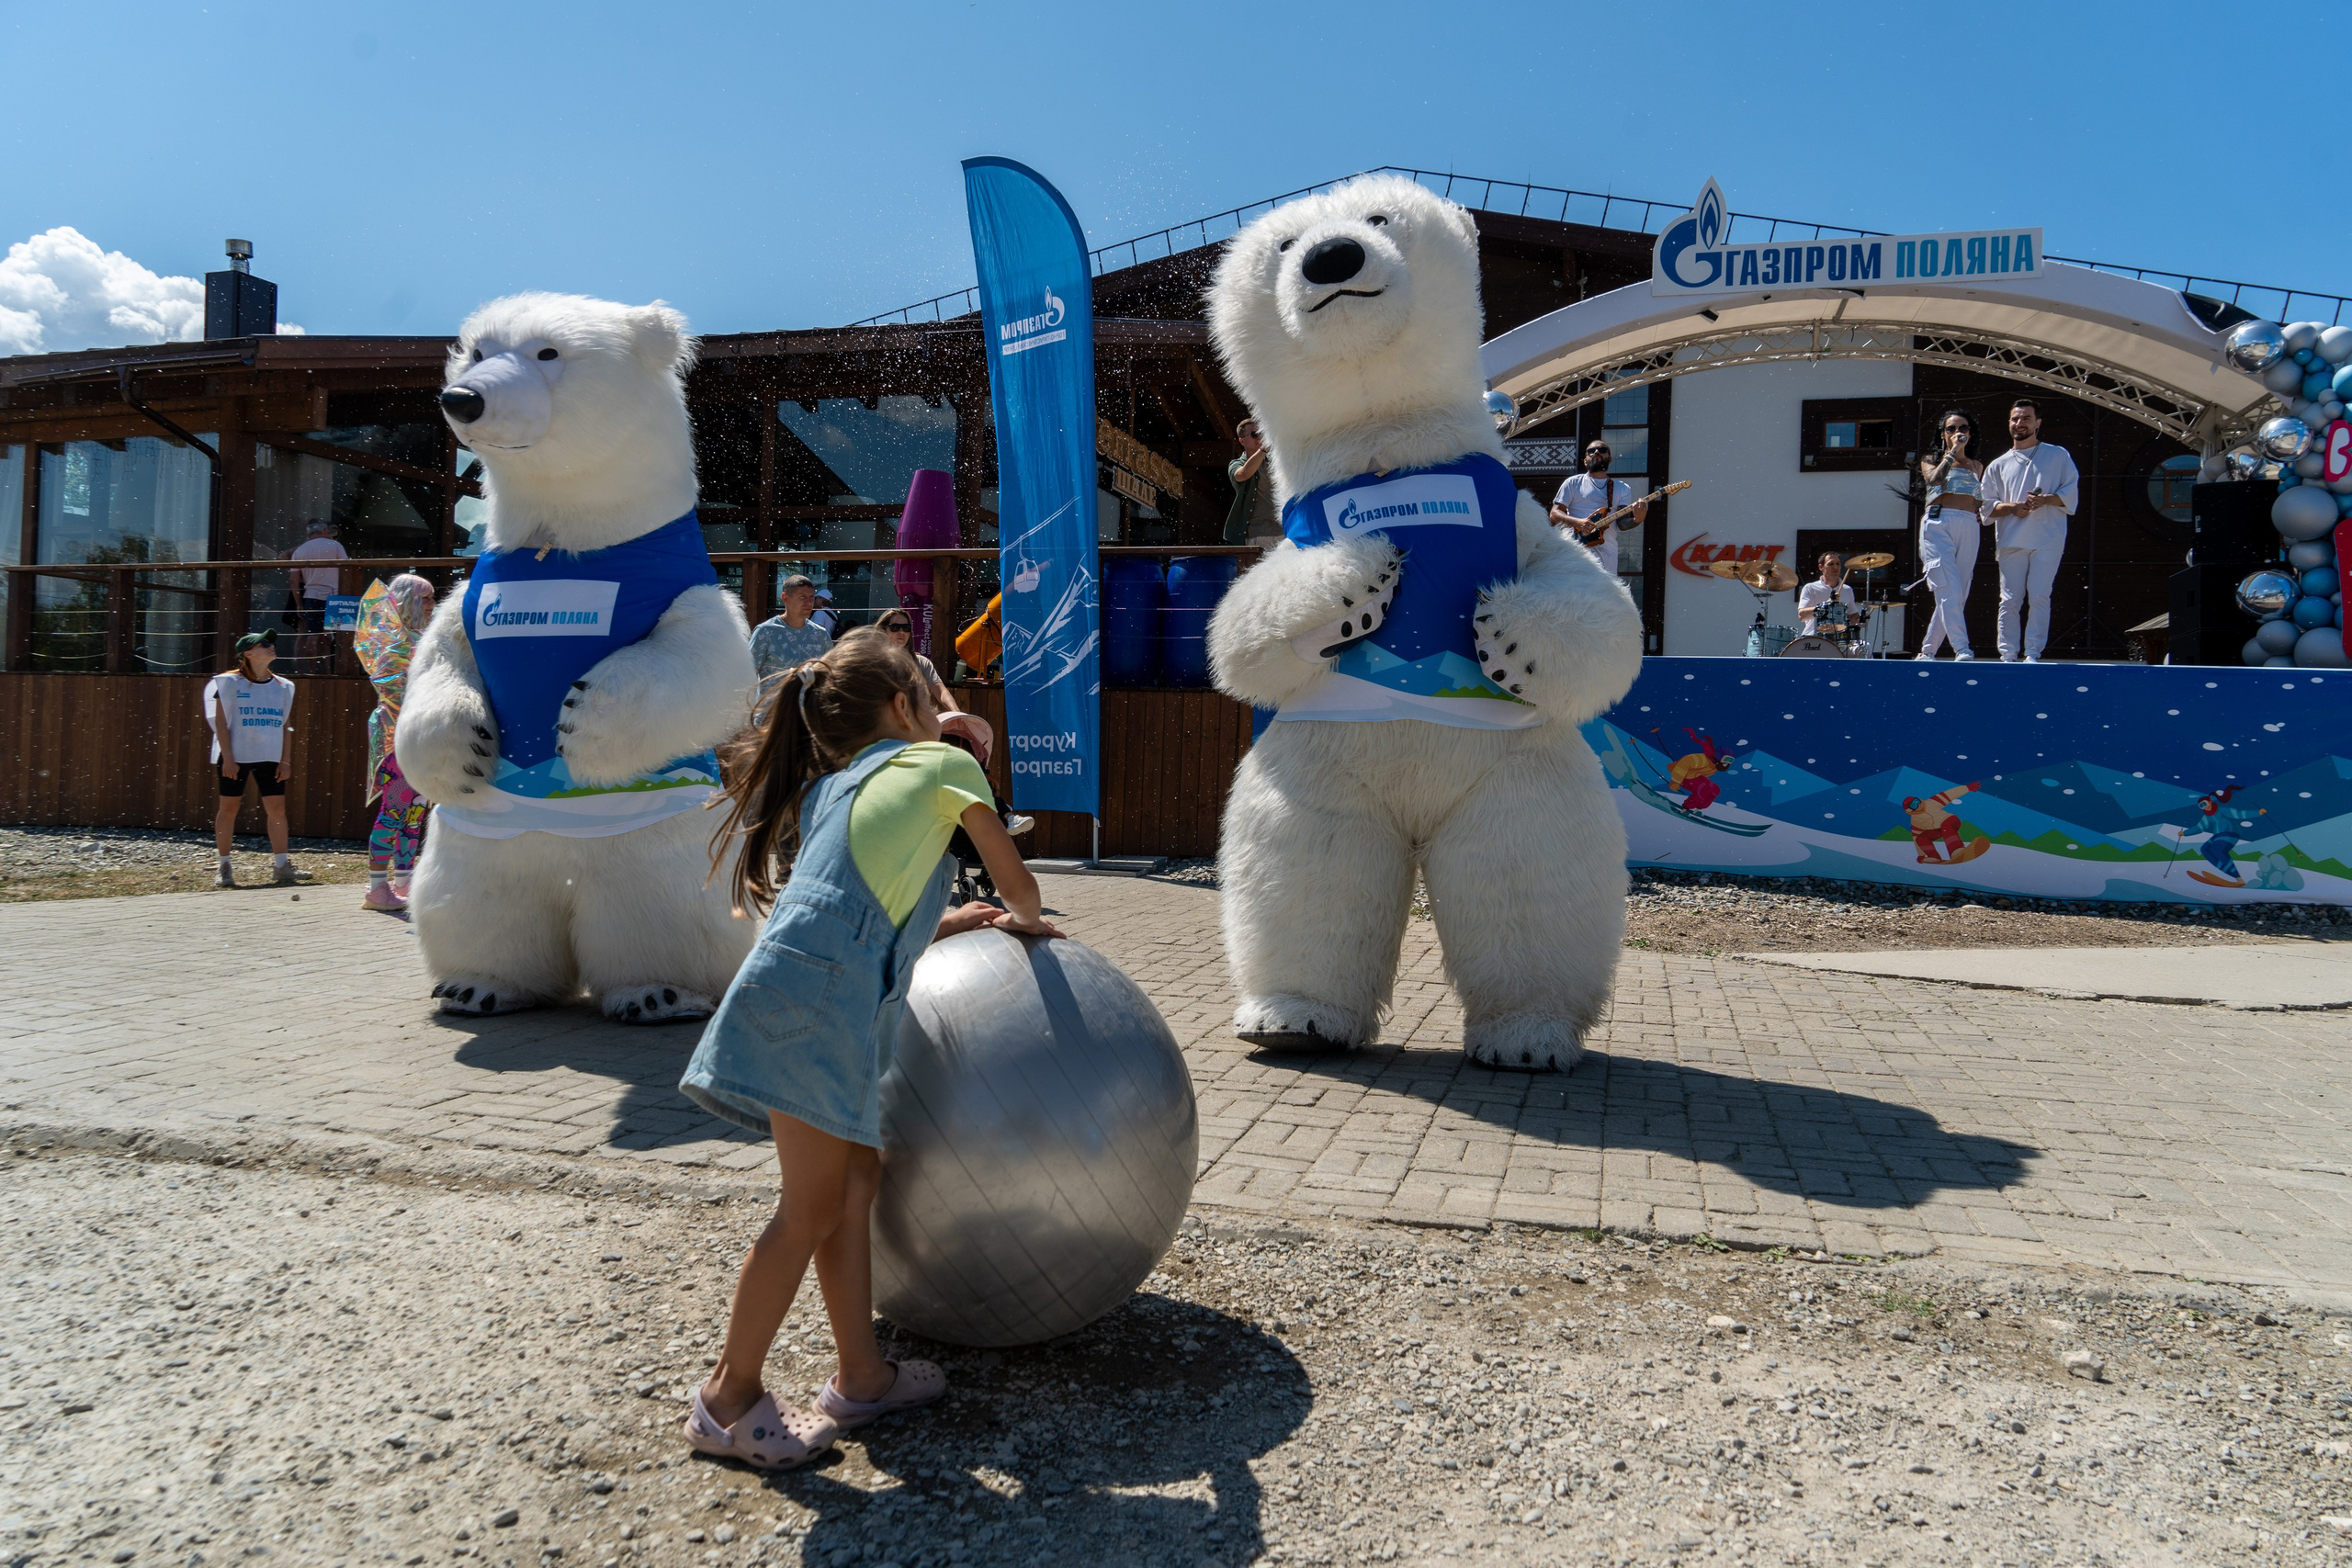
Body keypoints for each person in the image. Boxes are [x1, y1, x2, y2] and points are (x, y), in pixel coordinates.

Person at [676, 631, 1062, 1471]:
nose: (940, 707)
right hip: (823, 1010)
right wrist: (1023, 918)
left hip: (800, 993)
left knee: (853, 1185)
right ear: (903, 706)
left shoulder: (835, 784)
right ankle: (726, 1399)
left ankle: (863, 1376)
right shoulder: (944, 764)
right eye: (930, 693)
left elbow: (857, 900)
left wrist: (943, 921)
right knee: (809, 1208)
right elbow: (1019, 884)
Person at [354, 574, 436, 913]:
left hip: (419, 735)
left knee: (414, 812)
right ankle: (377, 888)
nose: (432, 605)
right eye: (426, 598)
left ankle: (403, 882)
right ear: (408, 600)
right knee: (394, 811)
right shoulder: (397, 644)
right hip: (398, 737)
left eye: (432, 598)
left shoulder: (419, 639)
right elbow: (394, 692)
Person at [206, 630, 308, 888]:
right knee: (228, 809)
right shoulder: (229, 682)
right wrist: (229, 758)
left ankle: (282, 866)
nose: (271, 646)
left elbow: (285, 726)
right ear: (248, 653)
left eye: (271, 642)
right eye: (264, 643)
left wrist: (285, 760)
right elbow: (220, 724)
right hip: (236, 757)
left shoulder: (283, 686)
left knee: (277, 810)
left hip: (270, 758)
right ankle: (224, 866)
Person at [1980, 399, 2079, 663]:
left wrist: (2045, 500)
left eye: (2026, 418)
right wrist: (2012, 508)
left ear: (2038, 423)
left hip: (2048, 539)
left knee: (2039, 596)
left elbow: (2070, 493)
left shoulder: (2058, 455)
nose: (2019, 423)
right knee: (2009, 599)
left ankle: (2033, 653)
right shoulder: (1997, 464)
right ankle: (2008, 654)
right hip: (2011, 540)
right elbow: (1986, 508)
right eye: (2015, 418)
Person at [1916, 409, 1986, 660]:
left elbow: (1979, 499)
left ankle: (1927, 651)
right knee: (1947, 585)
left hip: (1968, 524)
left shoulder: (1977, 466)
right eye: (1951, 429)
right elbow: (1934, 481)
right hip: (1939, 522)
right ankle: (1961, 647)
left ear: (1970, 433)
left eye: (1963, 428)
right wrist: (1953, 451)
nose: (1958, 433)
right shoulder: (1930, 459)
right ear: (1943, 434)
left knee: (1959, 592)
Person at [1546, 439, 1646, 576]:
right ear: (1585, 461)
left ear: (1610, 460)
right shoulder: (1573, 483)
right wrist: (1578, 523)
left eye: (1602, 450)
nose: (1596, 452)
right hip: (1575, 551)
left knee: (1604, 589)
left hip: (1607, 555)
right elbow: (1554, 515)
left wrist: (1637, 520)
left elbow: (1622, 524)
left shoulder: (1622, 488)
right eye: (1591, 451)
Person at [749, 573, 833, 693]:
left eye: (811, 597)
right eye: (803, 597)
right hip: (774, 704)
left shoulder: (821, 635)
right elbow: (747, 673)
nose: (809, 602)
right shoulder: (766, 632)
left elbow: (830, 675)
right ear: (785, 598)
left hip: (808, 704)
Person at [285, 519, 348, 665]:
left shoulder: (300, 550)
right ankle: (331, 670)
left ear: (308, 534)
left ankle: (312, 671)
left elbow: (293, 580)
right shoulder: (335, 546)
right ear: (325, 531)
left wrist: (299, 604)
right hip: (335, 596)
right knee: (338, 636)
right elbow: (346, 569)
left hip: (312, 596)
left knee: (312, 636)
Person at [874, 608, 960, 712]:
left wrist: (957, 713)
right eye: (895, 627)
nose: (901, 632)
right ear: (883, 631)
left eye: (906, 628)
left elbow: (941, 691)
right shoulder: (874, 663)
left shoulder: (922, 663)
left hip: (916, 720)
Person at [1222, 418, 1283, 546]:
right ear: (1241, 441)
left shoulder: (1275, 459)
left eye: (1261, 433)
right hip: (1258, 534)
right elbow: (1243, 474)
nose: (1259, 437)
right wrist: (1263, 450)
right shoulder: (1236, 464)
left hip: (1284, 530)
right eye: (1254, 434)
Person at [1903, 781, 1982, 863]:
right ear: (1910, 810)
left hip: (1951, 820)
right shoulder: (1915, 820)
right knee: (1921, 838)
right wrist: (1921, 855)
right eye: (1914, 805)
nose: (1919, 805)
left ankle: (1956, 850)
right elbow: (1916, 836)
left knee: (1945, 825)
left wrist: (1966, 788)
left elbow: (1948, 794)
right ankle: (1934, 856)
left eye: (1917, 801)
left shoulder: (1931, 802)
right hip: (1938, 829)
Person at [1796, 552, 1856, 638]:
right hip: (1814, 636)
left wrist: (1861, 619)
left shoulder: (1847, 590)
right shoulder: (1810, 588)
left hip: (1840, 638)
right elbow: (1802, 616)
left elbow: (1852, 615)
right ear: (1821, 567)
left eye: (1838, 564)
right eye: (1831, 564)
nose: (1835, 567)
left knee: (1863, 645)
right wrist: (1826, 605)